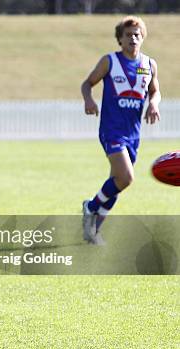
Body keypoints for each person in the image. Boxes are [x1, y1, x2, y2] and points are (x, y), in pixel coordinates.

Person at [80, 15, 160, 245]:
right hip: (112, 130)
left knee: (117, 182)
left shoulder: (149, 64)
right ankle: (90, 207)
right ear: (120, 39)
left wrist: (154, 103)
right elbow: (87, 83)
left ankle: (93, 231)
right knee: (126, 177)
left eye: (137, 34)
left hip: (133, 133)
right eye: (128, 35)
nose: (133, 38)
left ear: (142, 37)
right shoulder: (110, 61)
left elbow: (155, 91)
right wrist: (89, 100)